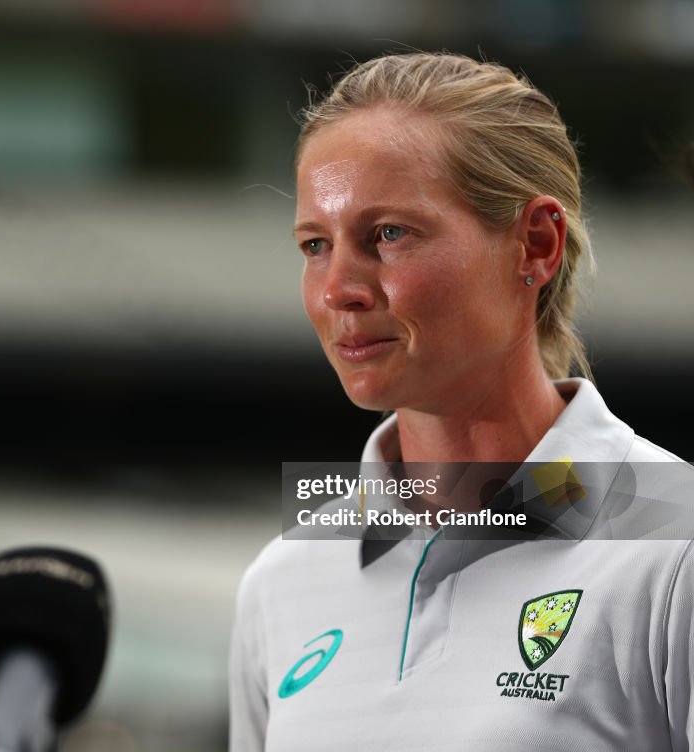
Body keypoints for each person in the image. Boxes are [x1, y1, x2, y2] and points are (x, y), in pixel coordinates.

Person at [229, 52, 694, 750]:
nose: (337, 289)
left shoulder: (675, 546)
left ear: (535, 245)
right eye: (315, 244)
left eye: (389, 233)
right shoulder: (281, 581)